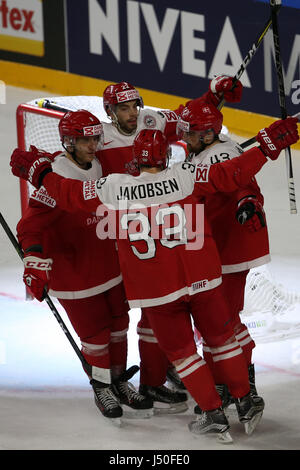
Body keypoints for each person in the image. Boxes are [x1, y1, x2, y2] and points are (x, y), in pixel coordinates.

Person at [10, 115, 299, 439]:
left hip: (158, 288)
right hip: (201, 277)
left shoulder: (114, 186)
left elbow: (68, 194)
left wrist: (40, 171)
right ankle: (245, 401)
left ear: (136, 159)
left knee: (183, 353)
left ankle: (213, 413)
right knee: (221, 339)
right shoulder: (186, 174)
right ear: (165, 157)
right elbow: (233, 173)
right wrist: (265, 147)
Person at [97, 76, 243, 409]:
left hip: (163, 226)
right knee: (153, 313)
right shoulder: (99, 140)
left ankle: (159, 374)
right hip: (130, 230)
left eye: (135, 105)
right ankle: (154, 377)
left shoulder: (154, 121)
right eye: (123, 108)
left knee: (159, 314)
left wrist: (214, 95)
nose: (132, 113)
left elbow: (190, 119)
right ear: (110, 111)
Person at [16, 110, 153, 424]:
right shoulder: (57, 175)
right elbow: (30, 226)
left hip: (108, 265)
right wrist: (34, 262)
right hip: (75, 275)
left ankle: (118, 380)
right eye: (84, 140)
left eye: (95, 137)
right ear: (68, 142)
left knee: (120, 324)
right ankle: (102, 386)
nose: (92, 145)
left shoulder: (99, 166)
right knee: (95, 335)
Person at [176, 101, 271, 405]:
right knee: (220, 321)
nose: (185, 137)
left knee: (222, 322)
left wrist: (248, 201)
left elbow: (242, 182)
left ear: (208, 134)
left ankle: (238, 381)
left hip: (228, 249)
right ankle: (232, 379)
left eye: (191, 133)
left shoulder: (223, 153)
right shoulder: (210, 149)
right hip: (215, 247)